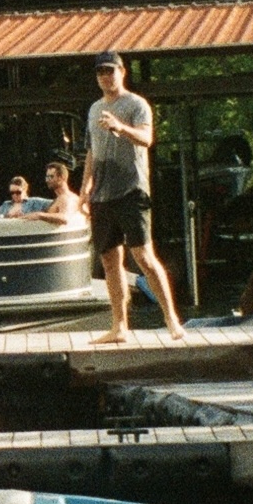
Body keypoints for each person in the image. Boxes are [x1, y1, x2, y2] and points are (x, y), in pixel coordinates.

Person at [84, 51, 187, 342]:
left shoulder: (136, 104)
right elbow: (91, 151)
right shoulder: (93, 109)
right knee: (108, 260)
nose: (105, 76)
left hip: (131, 189)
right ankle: (119, 326)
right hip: (102, 195)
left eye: (110, 70)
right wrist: (84, 188)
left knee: (143, 256)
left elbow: (147, 138)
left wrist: (120, 127)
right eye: (100, 72)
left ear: (122, 71)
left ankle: (172, 319)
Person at [22, 160, 87, 228]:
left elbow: (65, 218)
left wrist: (39, 215)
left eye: (51, 177)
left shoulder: (66, 198)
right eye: (47, 177)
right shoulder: (68, 197)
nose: (47, 180)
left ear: (61, 178)